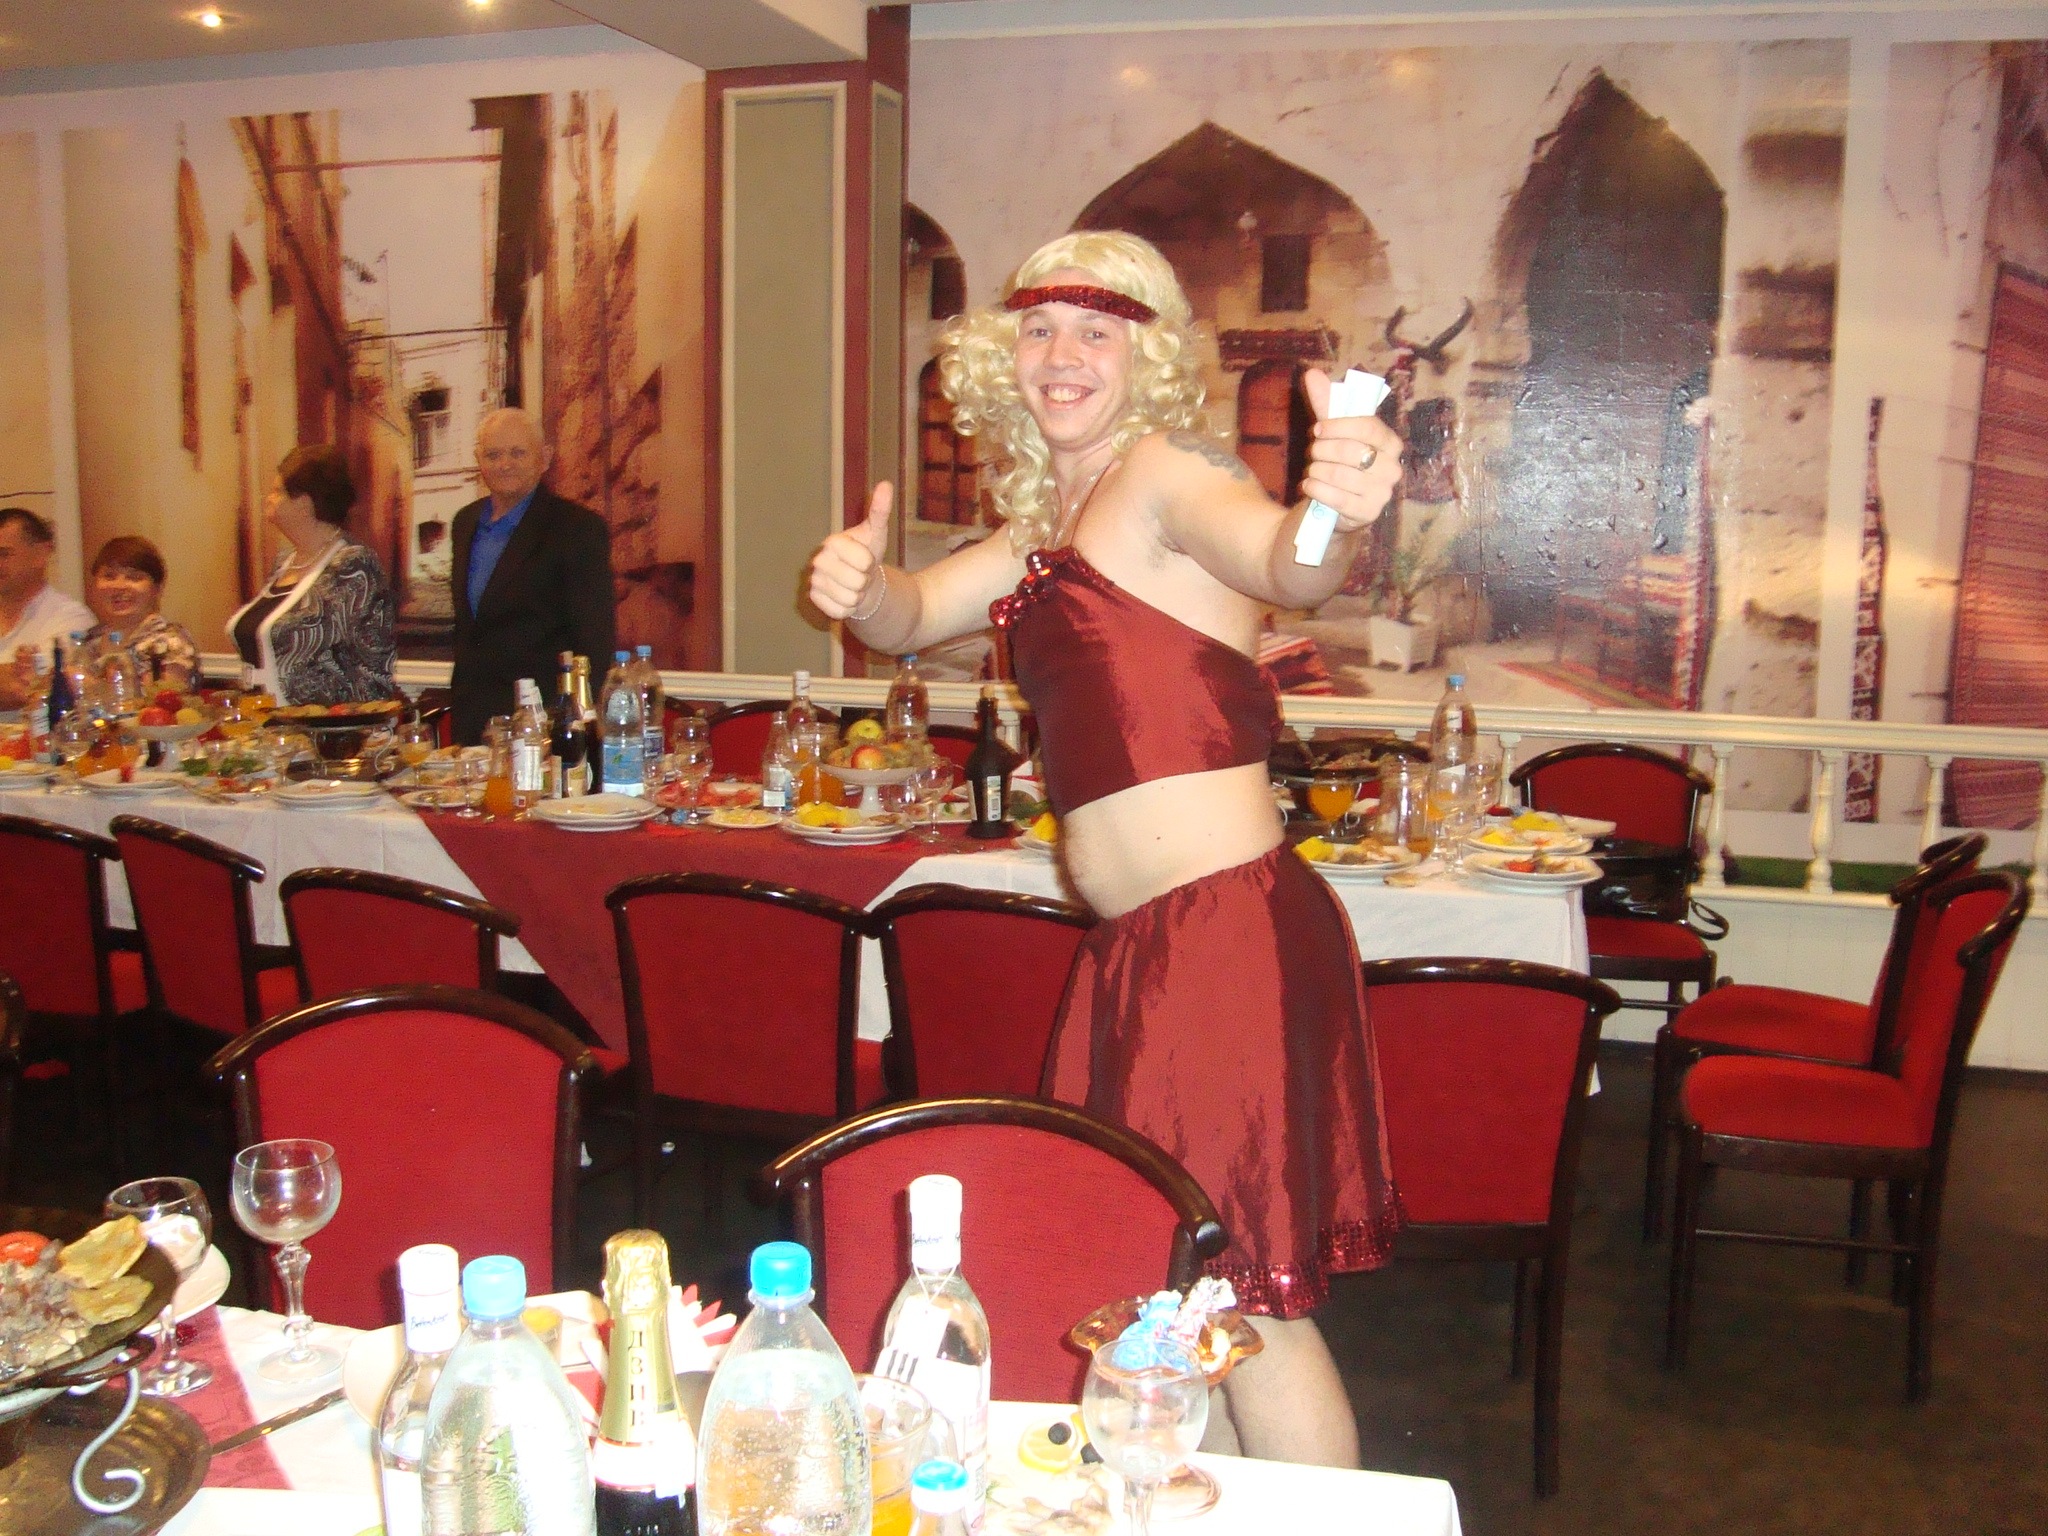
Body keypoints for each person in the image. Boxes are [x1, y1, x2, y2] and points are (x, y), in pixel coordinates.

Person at [808, 232, 1404, 1467]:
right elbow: (909, 616)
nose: (1061, 353)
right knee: (1179, 1295)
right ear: (1004, 357)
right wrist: (859, 587)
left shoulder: (1163, 472)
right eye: (1038, 328)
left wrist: (1334, 506)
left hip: (1220, 936)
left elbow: (1285, 562)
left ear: (1148, 357)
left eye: (1097, 328)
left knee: (1248, 1301)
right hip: (1143, 946)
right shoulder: (1043, 528)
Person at [448, 407, 614, 743]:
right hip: (472, 719)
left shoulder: (577, 529)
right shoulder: (465, 523)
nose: (504, 464)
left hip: (542, 721)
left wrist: (572, 725)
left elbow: (594, 641)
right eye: (493, 455)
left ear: (545, 458)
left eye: (517, 453)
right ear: (479, 460)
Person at [226, 446, 396, 705]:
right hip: (259, 721)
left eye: (278, 492)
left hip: (315, 725)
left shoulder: (353, 565)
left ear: (304, 505)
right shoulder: (284, 563)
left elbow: (373, 669)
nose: (268, 499)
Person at [0, 506, 93, 711]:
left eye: (4, 554)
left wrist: (24, 682)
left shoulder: (70, 618)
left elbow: (34, 688)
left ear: (41, 554)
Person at [81, 535, 199, 692]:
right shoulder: (89, 640)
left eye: (134, 578)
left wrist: (86, 684)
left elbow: (161, 700)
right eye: (109, 576)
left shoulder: (169, 641)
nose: (119, 586)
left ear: (157, 588)